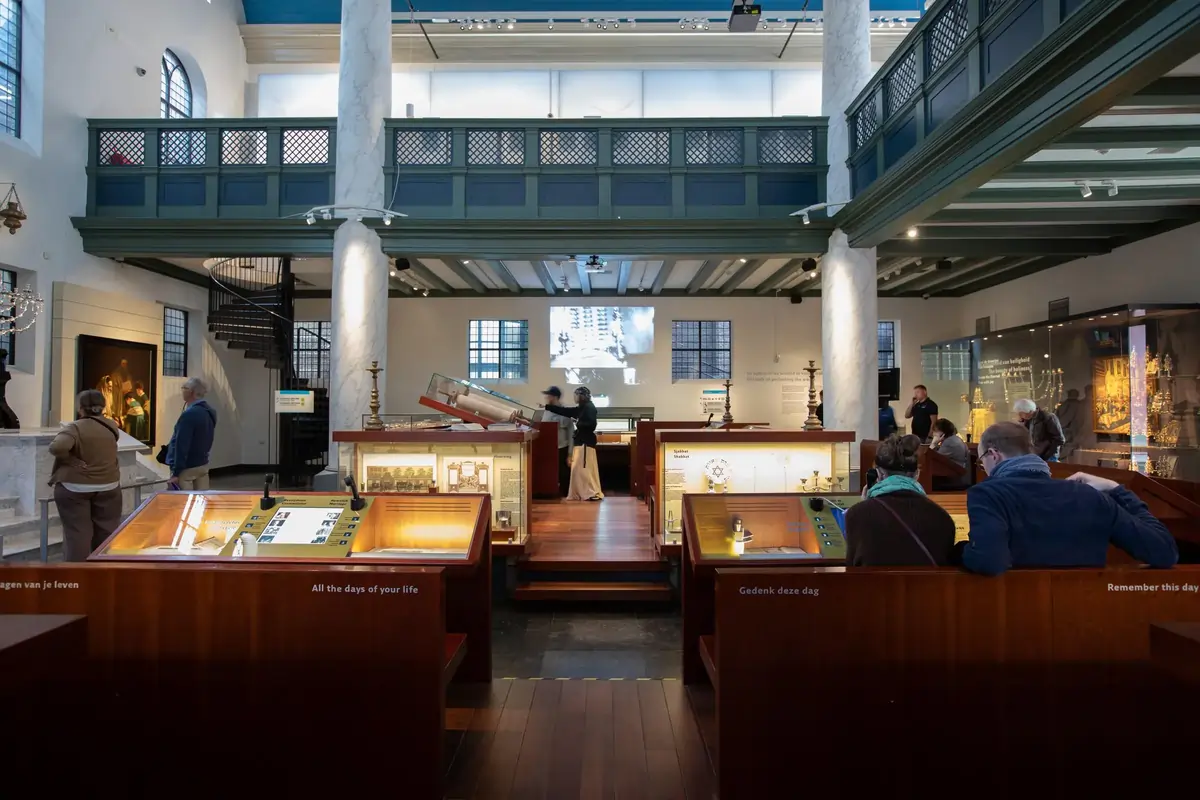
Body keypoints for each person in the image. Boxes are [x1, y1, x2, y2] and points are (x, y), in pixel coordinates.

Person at [960, 422, 1178, 576]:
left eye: (982, 461)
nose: (984, 468)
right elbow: (1164, 551)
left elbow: (989, 561)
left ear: (994, 454)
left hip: (1016, 616)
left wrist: (960, 550)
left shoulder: (988, 494)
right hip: (1091, 617)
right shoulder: (1090, 496)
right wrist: (1117, 490)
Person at [844, 433, 956, 566]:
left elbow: (851, 567)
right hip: (925, 587)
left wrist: (865, 505)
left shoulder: (857, 515)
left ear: (878, 474)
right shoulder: (942, 518)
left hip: (874, 587)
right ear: (917, 474)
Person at [48, 390, 123, 561]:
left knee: (78, 533)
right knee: (107, 532)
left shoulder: (75, 427)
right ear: (103, 406)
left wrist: (70, 460)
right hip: (109, 485)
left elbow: (57, 447)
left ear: (80, 408)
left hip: (75, 487)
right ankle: (103, 573)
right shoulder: (111, 425)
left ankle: (77, 577)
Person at [544, 385, 602, 501]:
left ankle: (590, 492)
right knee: (578, 470)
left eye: (576, 395)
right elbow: (566, 411)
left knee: (584, 469)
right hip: (581, 442)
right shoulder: (582, 407)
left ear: (581, 396)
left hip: (585, 442)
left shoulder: (589, 407)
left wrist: (578, 423)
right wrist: (548, 407)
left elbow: (591, 424)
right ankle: (582, 492)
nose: (574, 397)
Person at [166, 377, 218, 490]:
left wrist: (176, 472)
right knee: (201, 501)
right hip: (202, 464)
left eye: (184, 388)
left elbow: (181, 444)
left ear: (191, 392)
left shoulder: (189, 414)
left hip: (187, 468)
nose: (182, 390)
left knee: (185, 504)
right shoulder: (209, 411)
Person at [540, 385, 575, 497]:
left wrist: (570, 453)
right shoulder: (547, 410)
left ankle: (565, 495)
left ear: (555, 397)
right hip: (549, 448)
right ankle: (551, 493)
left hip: (562, 447)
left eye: (549, 395)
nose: (547, 398)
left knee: (564, 474)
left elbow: (570, 433)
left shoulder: (564, 411)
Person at [1013, 398, 1064, 462]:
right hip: (1036, 455)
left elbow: (1059, 439)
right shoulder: (1028, 420)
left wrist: (1047, 455)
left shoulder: (1048, 417)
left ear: (1030, 411)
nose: (1020, 416)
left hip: (1048, 457)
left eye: (1021, 413)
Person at [930, 418, 970, 489]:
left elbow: (931, 460)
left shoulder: (949, 443)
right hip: (957, 475)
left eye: (935, 431)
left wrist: (933, 444)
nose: (933, 433)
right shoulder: (955, 439)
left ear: (943, 433)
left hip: (952, 478)